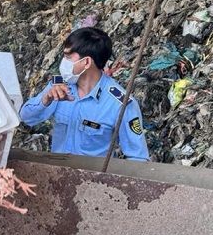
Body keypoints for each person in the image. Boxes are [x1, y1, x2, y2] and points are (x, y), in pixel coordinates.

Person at [19, 28, 150, 161]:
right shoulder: (59, 86)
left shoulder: (120, 103)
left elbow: (138, 157)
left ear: (86, 62)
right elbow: (26, 118)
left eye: (68, 57)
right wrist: (45, 100)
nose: (63, 62)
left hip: (94, 179)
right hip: (56, 173)